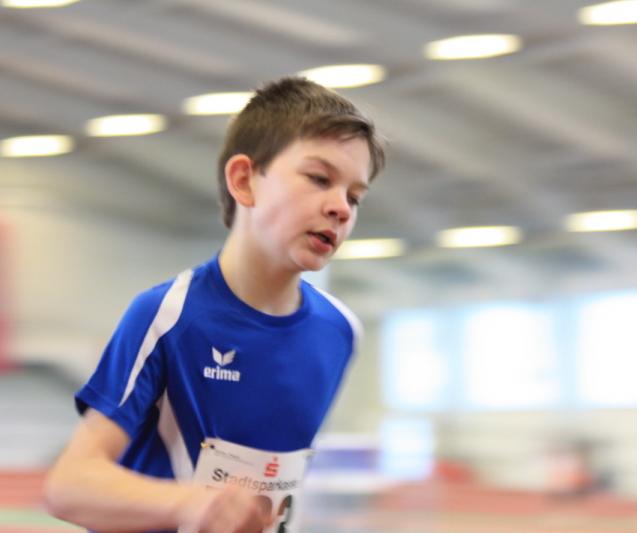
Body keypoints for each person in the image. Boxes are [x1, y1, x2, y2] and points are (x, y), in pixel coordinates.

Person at [43, 76, 386, 533]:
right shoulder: (169, 316)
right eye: (319, 179)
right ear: (244, 180)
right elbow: (68, 487)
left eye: (354, 196)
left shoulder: (340, 331)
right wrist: (191, 504)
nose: (341, 207)